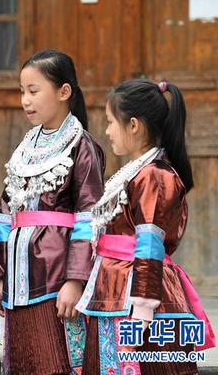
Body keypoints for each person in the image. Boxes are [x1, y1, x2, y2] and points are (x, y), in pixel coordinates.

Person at [76, 79, 216, 374]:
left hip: (141, 299)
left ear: (134, 125)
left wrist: (142, 308)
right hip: (115, 288)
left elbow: (149, 243)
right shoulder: (138, 172)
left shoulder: (154, 176)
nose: (107, 130)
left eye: (111, 122)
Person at [0, 50, 105, 374]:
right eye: (22, 91)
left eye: (34, 90)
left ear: (64, 92)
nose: (25, 100)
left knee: (56, 362)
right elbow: (4, 214)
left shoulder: (82, 147)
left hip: (56, 281)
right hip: (17, 281)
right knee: (23, 362)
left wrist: (75, 279)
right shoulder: (25, 149)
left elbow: (90, 218)